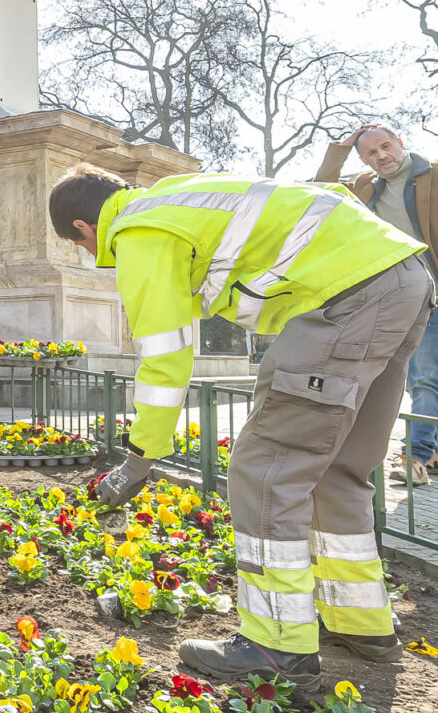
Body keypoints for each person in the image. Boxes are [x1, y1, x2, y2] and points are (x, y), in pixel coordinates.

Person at [50, 162, 434, 683]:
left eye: (82, 247)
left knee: (266, 467)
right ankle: (361, 624)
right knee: (336, 468)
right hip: (400, 276)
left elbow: (165, 357)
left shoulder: (139, 230)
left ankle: (276, 644)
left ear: (83, 229)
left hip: (346, 297)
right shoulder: (179, 200)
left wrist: (139, 458)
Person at [314, 123, 438, 487]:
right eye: (371, 152)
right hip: (410, 299)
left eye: (386, 146)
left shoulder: (433, 174)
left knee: (425, 379)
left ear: (400, 143)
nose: (381, 156)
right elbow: (323, 193)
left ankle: (425, 452)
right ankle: (417, 456)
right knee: (423, 378)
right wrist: (339, 149)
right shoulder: (366, 188)